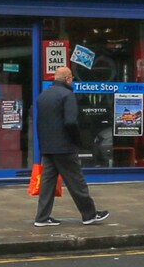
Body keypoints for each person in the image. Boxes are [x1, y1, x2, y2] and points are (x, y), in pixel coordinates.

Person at [33, 66, 108, 227]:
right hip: (65, 147)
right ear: (68, 78)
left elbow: (40, 122)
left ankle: (42, 217)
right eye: (71, 78)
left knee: (47, 183)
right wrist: (78, 141)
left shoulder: (43, 96)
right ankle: (89, 215)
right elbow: (70, 122)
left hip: (47, 147)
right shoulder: (67, 95)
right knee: (76, 181)